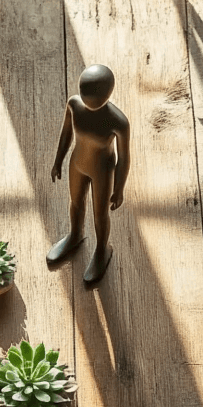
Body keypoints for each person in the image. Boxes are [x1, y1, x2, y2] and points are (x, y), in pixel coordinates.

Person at [47, 64, 130, 284]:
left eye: (95, 96)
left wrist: (119, 188)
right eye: (84, 93)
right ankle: (75, 235)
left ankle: (102, 250)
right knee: (75, 202)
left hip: (102, 170)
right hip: (77, 164)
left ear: (107, 95)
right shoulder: (74, 104)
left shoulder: (118, 122)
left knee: (100, 214)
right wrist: (58, 161)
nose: (88, 100)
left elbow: (124, 158)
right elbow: (66, 133)